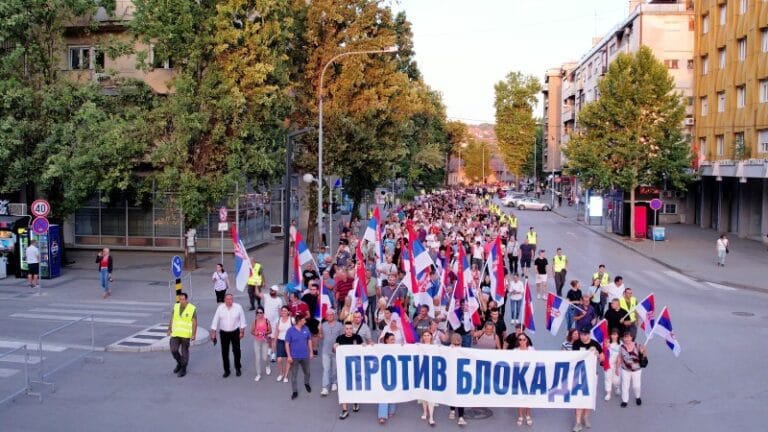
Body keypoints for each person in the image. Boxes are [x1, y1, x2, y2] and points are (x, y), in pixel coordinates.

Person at [571, 327, 604, 431]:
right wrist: (587, 353)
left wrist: (597, 354)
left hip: (592, 374)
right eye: (582, 334)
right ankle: (577, 422)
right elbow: (574, 357)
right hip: (579, 375)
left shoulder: (595, 344)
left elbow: (602, 359)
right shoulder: (576, 343)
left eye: (585, 334)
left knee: (589, 398)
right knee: (579, 398)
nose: (583, 336)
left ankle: (585, 417)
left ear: (589, 335)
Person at [209, 293, 247, 378]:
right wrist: (213, 333)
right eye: (228, 299)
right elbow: (215, 320)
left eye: (231, 299)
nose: (230, 301)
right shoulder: (220, 308)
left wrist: (242, 331)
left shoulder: (238, 307)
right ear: (224, 300)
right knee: (225, 352)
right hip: (224, 333)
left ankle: (238, 368)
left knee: (236, 351)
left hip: (235, 332)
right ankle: (227, 370)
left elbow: (242, 320)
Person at [335, 321, 363, 419]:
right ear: (344, 329)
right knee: (343, 388)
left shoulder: (358, 338)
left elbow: (364, 349)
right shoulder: (339, 338)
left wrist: (365, 345)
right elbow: (334, 350)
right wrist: (334, 347)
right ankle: (345, 410)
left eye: (350, 328)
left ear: (353, 329)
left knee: (355, 386)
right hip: (343, 367)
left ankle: (355, 402)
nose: (349, 330)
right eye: (347, 329)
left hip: (356, 367)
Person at [167, 292, 196, 377]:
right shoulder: (176, 306)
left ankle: (183, 368)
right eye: (180, 299)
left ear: (186, 300)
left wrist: (193, 334)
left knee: (184, 352)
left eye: (183, 299)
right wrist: (169, 329)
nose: (181, 301)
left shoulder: (192, 308)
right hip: (175, 333)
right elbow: (172, 318)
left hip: (185, 335)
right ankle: (180, 363)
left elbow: (194, 322)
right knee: (174, 350)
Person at [285, 313, 314, 400]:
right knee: (294, 375)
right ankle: (295, 391)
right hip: (294, 357)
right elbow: (287, 344)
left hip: (305, 355)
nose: (305, 321)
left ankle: (306, 383)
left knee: (307, 372)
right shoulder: (290, 331)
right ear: (299, 321)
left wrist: (311, 352)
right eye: (304, 320)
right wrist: (289, 356)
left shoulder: (306, 328)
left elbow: (309, 340)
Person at [619, 330, 646, 408]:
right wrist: (617, 367)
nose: (626, 339)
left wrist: (642, 351)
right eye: (625, 337)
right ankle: (625, 400)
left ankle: (638, 397)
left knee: (636, 386)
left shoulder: (637, 345)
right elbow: (620, 357)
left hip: (636, 370)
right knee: (625, 385)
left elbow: (644, 354)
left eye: (628, 337)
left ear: (631, 337)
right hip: (625, 369)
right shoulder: (622, 347)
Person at [319, 309, 342, 396]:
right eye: (328, 315)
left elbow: (342, 337)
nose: (330, 316)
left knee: (335, 369)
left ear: (334, 316)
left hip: (336, 351)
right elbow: (321, 336)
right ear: (326, 317)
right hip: (326, 350)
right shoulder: (323, 325)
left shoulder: (339, 325)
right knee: (326, 369)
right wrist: (319, 332)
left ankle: (334, 382)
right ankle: (325, 387)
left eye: (332, 314)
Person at [513, 331, 534, 427]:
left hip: (529, 376)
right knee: (519, 397)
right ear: (518, 341)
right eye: (520, 339)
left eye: (524, 339)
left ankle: (528, 415)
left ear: (527, 340)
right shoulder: (515, 351)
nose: (522, 341)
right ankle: (520, 416)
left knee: (528, 397)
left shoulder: (532, 350)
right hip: (519, 376)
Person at [417, 330, 437, 426]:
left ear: (431, 336)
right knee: (423, 395)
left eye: (428, 335)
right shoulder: (418, 346)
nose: (426, 337)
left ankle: (431, 417)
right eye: (424, 335)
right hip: (422, 373)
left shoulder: (436, 347)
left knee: (431, 396)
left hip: (432, 373)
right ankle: (425, 412)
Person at [378, 332, 398, 424]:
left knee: (394, 391)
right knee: (383, 393)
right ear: (386, 340)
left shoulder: (398, 348)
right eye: (391, 340)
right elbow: (371, 349)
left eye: (394, 339)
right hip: (383, 373)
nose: (393, 341)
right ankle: (382, 415)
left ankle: (391, 410)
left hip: (394, 373)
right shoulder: (380, 348)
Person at [447, 333, 467, 427]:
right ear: (452, 342)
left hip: (461, 376)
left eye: (458, 344)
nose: (457, 346)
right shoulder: (447, 350)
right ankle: (452, 410)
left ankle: (461, 417)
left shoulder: (464, 350)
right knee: (452, 395)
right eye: (455, 344)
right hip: (451, 375)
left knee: (460, 397)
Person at [263, 285, 284, 361]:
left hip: (275, 322)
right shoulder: (266, 296)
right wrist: (256, 284)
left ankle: (273, 354)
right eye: (270, 290)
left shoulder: (279, 300)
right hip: (266, 322)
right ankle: (269, 348)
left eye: (273, 290)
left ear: (276, 291)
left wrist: (280, 322)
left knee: (274, 338)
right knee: (268, 337)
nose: (271, 291)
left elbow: (280, 312)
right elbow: (257, 293)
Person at [250, 306, 272, 381]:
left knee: (265, 357)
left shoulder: (266, 321)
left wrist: (265, 333)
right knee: (257, 358)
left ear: (263, 313)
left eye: (261, 312)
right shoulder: (255, 321)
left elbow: (270, 331)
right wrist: (255, 333)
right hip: (257, 341)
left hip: (265, 341)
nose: (259, 314)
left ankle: (267, 366)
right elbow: (252, 331)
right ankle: (258, 374)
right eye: (258, 313)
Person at [273, 305, 292, 382]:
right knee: (279, 359)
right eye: (282, 311)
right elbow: (277, 331)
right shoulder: (278, 320)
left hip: (289, 341)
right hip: (280, 340)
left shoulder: (292, 320)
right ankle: (281, 373)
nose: (283, 312)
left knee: (288, 359)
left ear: (288, 312)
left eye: (285, 311)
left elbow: (297, 328)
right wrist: (274, 341)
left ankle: (286, 376)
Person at [604, 329, 621, 401]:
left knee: (616, 379)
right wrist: (606, 346)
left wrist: (617, 366)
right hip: (608, 364)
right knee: (608, 378)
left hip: (616, 364)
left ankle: (617, 387)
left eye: (615, 334)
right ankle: (608, 393)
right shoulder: (608, 343)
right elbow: (604, 352)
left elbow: (620, 356)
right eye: (612, 334)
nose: (614, 336)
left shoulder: (620, 344)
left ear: (618, 336)